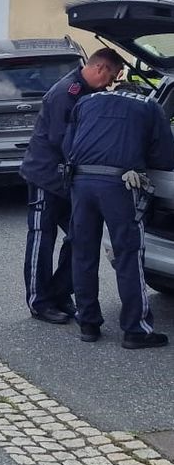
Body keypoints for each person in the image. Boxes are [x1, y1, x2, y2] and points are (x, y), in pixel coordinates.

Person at [63, 86, 174, 348]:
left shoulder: (86, 101)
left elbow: (68, 144)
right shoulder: (148, 106)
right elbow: (166, 158)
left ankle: (88, 323)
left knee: (83, 253)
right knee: (128, 255)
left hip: (80, 182)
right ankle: (136, 330)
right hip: (120, 185)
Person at [19, 49, 124, 323]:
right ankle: (39, 301)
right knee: (42, 238)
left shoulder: (87, 93)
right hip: (46, 176)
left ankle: (59, 292)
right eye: (111, 77)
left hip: (71, 179)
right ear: (100, 69)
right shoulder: (66, 93)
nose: (111, 84)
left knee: (80, 237)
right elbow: (63, 140)